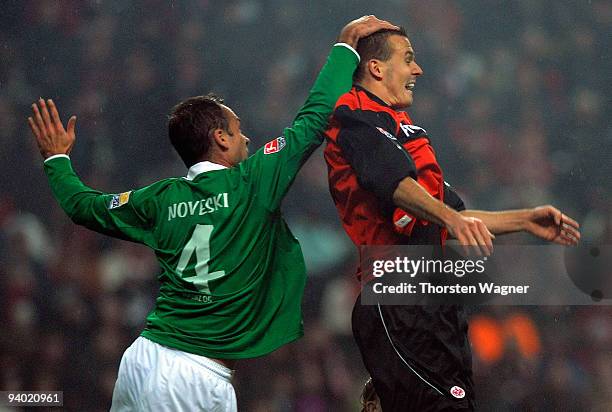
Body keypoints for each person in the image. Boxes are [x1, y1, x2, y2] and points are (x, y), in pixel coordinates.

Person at [27, 15, 398, 412]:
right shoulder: (251, 182)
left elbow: (83, 207)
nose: (248, 138)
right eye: (239, 131)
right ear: (220, 138)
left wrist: (57, 160)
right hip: (190, 374)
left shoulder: (160, 198)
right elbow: (313, 118)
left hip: (142, 359)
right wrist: (344, 46)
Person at [323, 27, 581, 411]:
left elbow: (453, 214)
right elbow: (393, 184)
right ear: (376, 68)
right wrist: (451, 219)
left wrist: (524, 219)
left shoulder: (404, 128)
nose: (419, 69)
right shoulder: (356, 114)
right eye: (408, 59)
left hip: (432, 299)